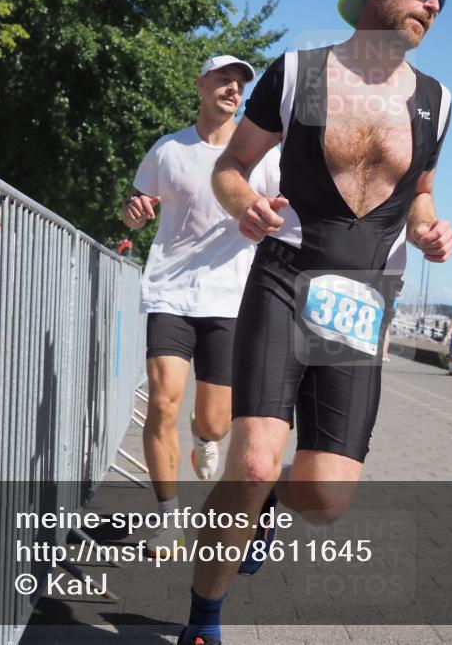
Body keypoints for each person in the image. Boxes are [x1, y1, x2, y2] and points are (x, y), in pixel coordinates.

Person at [178, 0, 452, 645]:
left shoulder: (436, 101)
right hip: (286, 271)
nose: (433, 4)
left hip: (359, 299)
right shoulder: (301, 73)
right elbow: (234, 166)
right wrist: (244, 205)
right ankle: (203, 621)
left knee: (325, 497)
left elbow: (420, 197)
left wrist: (428, 231)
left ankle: (268, 502)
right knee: (251, 461)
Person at [121, 55, 281, 558]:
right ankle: (168, 520)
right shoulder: (168, 150)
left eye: (241, 83)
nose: (233, 88)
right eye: (224, 79)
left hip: (230, 298)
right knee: (163, 401)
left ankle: (204, 437)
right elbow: (133, 214)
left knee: (213, 422)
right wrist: (133, 213)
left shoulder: (264, 157)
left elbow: (286, 214)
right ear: (201, 85)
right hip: (170, 290)